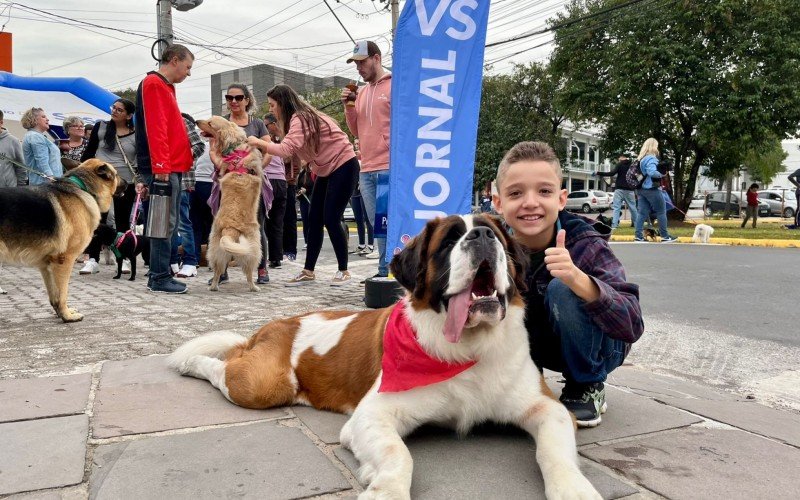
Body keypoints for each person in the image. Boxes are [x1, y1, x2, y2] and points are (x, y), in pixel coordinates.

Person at [492, 141, 644, 427]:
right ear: (498, 202)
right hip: (537, 345)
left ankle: (586, 384)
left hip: (599, 347)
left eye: (544, 191)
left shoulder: (584, 242)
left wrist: (577, 279)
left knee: (562, 287)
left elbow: (632, 324)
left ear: (561, 199)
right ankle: (523, 379)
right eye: (515, 193)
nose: (530, 202)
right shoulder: (493, 242)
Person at [248, 84, 358, 286]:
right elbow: (296, 149)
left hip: (344, 165)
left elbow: (286, 149)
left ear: (282, 103)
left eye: (273, 105)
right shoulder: (296, 121)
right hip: (325, 170)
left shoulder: (301, 117)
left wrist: (258, 142)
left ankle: (344, 270)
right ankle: (308, 271)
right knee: (314, 219)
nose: (271, 109)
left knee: (331, 217)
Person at [135, 44, 194, 294]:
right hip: (164, 167)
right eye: (187, 66)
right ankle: (159, 276)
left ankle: (159, 275)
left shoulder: (164, 86)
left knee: (167, 222)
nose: (188, 73)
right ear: (174, 60)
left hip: (171, 165)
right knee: (162, 222)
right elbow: (156, 126)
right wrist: (160, 165)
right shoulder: (154, 84)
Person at [211, 83, 278, 285]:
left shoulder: (257, 124)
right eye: (229, 98)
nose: (233, 101)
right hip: (229, 181)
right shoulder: (221, 123)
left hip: (252, 182)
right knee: (223, 224)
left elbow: (269, 150)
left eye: (238, 97)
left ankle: (261, 269)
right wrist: (226, 165)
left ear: (247, 100)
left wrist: (256, 168)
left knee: (255, 224)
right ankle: (220, 271)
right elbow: (213, 151)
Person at [342, 40, 391, 277]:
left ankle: (388, 271)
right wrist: (348, 108)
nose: (358, 68)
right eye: (356, 63)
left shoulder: (394, 86)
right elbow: (356, 131)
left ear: (377, 59)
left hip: (389, 166)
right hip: (367, 166)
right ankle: (384, 270)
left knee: (387, 223)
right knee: (377, 224)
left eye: (362, 62)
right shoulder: (360, 93)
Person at [80, 98, 138, 275]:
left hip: (124, 182)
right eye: (114, 108)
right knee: (97, 219)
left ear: (129, 115)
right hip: (99, 180)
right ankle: (92, 259)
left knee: (122, 220)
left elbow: (139, 159)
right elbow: (89, 153)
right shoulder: (101, 127)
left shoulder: (136, 133)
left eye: (120, 110)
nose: (114, 112)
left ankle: (124, 258)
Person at [170, 113, 205, 278]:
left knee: (183, 223)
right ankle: (171, 261)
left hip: (182, 180)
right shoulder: (150, 122)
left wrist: (180, 157)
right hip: (159, 181)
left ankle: (190, 261)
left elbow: (199, 146)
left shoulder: (181, 121)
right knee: (166, 226)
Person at [267, 113, 299, 262]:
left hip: (287, 181)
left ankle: (290, 251)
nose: (266, 128)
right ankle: (277, 253)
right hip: (278, 180)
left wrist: (291, 178)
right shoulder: (270, 140)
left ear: (274, 124)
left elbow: (292, 157)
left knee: (288, 218)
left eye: (267, 125)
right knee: (274, 219)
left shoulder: (287, 137)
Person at [633, 138, 676, 243]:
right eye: (656, 145)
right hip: (651, 188)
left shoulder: (641, 159)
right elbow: (652, 172)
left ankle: (638, 236)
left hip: (641, 189)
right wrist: (662, 174)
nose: (657, 147)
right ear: (653, 146)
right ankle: (665, 236)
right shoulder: (651, 158)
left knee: (642, 213)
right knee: (661, 211)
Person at [594, 153, 639, 229]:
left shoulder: (619, 164)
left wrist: (598, 173)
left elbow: (611, 173)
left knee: (616, 208)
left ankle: (614, 225)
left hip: (619, 189)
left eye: (619, 158)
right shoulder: (632, 165)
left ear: (622, 157)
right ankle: (637, 225)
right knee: (633, 208)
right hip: (630, 190)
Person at [21, 107, 63, 185]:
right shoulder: (35, 136)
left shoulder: (36, 136)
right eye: (43, 117)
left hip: (46, 183)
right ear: (34, 120)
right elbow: (41, 161)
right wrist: (51, 178)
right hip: (45, 185)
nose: (47, 119)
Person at [0, 110, 26, 187]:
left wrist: (20, 188)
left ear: (1, 123)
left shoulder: (13, 141)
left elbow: (21, 167)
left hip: (8, 193)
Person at [350, 182, 374, 256]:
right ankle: (361, 245)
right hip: (354, 192)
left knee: (368, 219)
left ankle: (370, 246)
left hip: (364, 190)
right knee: (358, 219)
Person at [296, 161, 314, 250]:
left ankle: (314, 241)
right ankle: (307, 241)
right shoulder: (302, 173)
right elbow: (298, 185)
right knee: (305, 221)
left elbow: (314, 184)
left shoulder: (312, 171)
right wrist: (299, 191)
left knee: (312, 220)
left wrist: (306, 190)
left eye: (303, 159)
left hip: (311, 199)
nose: (301, 161)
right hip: (303, 200)